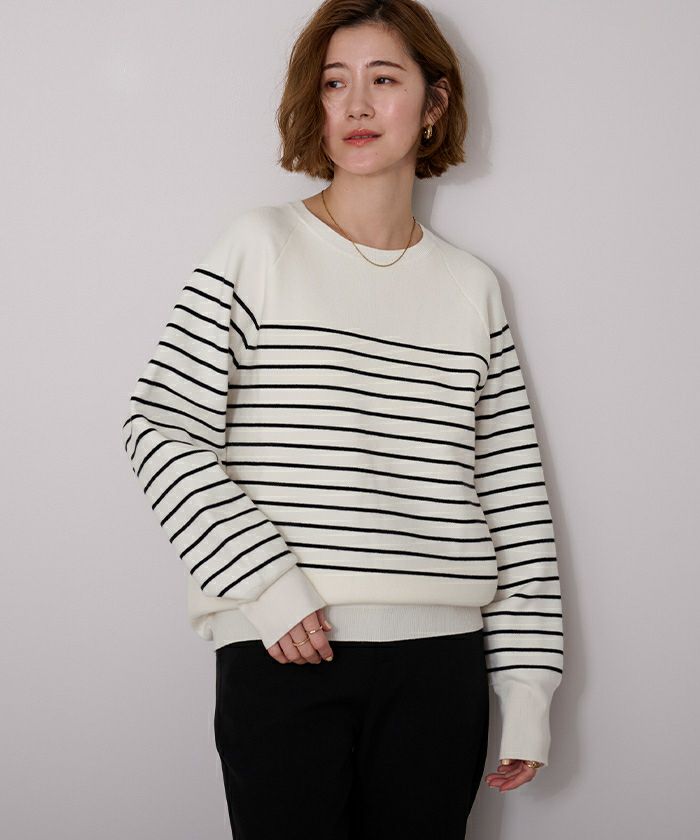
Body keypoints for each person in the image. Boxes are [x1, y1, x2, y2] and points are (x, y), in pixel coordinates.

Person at [121, 1, 564, 837]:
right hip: (286, 650)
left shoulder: (472, 289)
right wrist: (267, 587)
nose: (356, 104)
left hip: (439, 665)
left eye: (384, 79)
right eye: (334, 83)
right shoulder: (259, 247)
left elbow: (512, 495)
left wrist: (528, 692)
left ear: (434, 103)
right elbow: (160, 428)